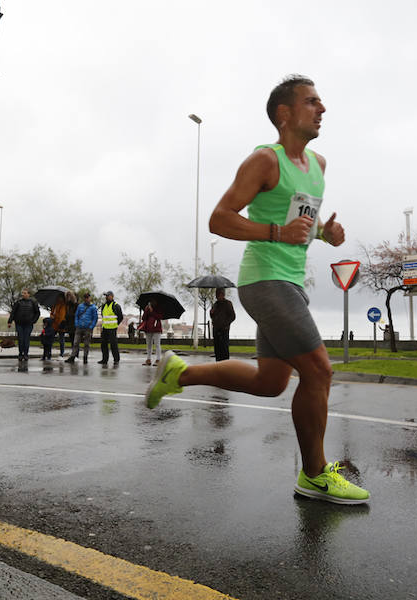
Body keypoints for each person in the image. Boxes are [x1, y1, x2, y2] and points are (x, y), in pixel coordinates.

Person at [145, 75, 369, 505]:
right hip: (264, 280)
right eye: (312, 102)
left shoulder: (319, 165)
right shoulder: (265, 161)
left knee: (271, 382)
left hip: (291, 281)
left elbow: (300, 222)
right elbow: (220, 218)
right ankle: (315, 474)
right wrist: (276, 233)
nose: (322, 110)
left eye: (321, 103)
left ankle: (179, 373)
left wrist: (326, 233)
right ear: (284, 114)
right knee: (319, 370)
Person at [7, 288, 40, 360]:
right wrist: (9, 321)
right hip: (19, 324)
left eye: (25, 293)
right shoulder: (18, 302)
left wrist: (33, 321)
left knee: (26, 339)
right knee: (21, 339)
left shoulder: (33, 302)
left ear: (28, 294)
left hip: (29, 324)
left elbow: (37, 313)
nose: (23, 294)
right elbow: (13, 312)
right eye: (23, 293)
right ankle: (20, 353)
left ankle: (26, 354)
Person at [66, 292, 98, 364]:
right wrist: (77, 324)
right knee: (75, 343)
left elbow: (95, 318)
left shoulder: (93, 307)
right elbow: (76, 315)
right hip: (79, 327)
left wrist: (91, 326)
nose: (86, 299)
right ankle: (73, 356)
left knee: (86, 344)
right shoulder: (80, 306)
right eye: (85, 297)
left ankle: (85, 357)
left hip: (87, 328)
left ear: (90, 298)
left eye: (87, 297)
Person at [209, 287, 235, 361]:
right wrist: (211, 313)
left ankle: (225, 364)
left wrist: (226, 325)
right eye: (217, 294)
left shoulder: (228, 304)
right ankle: (218, 363)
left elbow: (232, 316)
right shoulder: (215, 304)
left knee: (224, 348)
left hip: (224, 330)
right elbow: (212, 316)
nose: (218, 296)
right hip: (216, 329)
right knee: (217, 348)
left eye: (220, 294)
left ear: (223, 294)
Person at [97, 290, 123, 365]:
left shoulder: (116, 305)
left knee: (113, 345)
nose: (107, 297)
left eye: (108, 296)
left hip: (112, 328)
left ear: (112, 296)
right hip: (105, 328)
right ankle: (104, 360)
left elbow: (120, 317)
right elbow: (103, 316)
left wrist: (115, 324)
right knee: (103, 344)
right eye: (106, 296)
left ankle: (116, 359)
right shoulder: (104, 306)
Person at [140, 299, 163, 366]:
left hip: (156, 328)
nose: (152, 302)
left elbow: (160, 317)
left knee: (157, 344)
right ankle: (148, 359)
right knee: (148, 345)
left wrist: (152, 311)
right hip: (148, 328)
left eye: (153, 300)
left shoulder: (159, 308)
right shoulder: (147, 307)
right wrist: (146, 310)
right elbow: (144, 318)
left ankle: (158, 359)